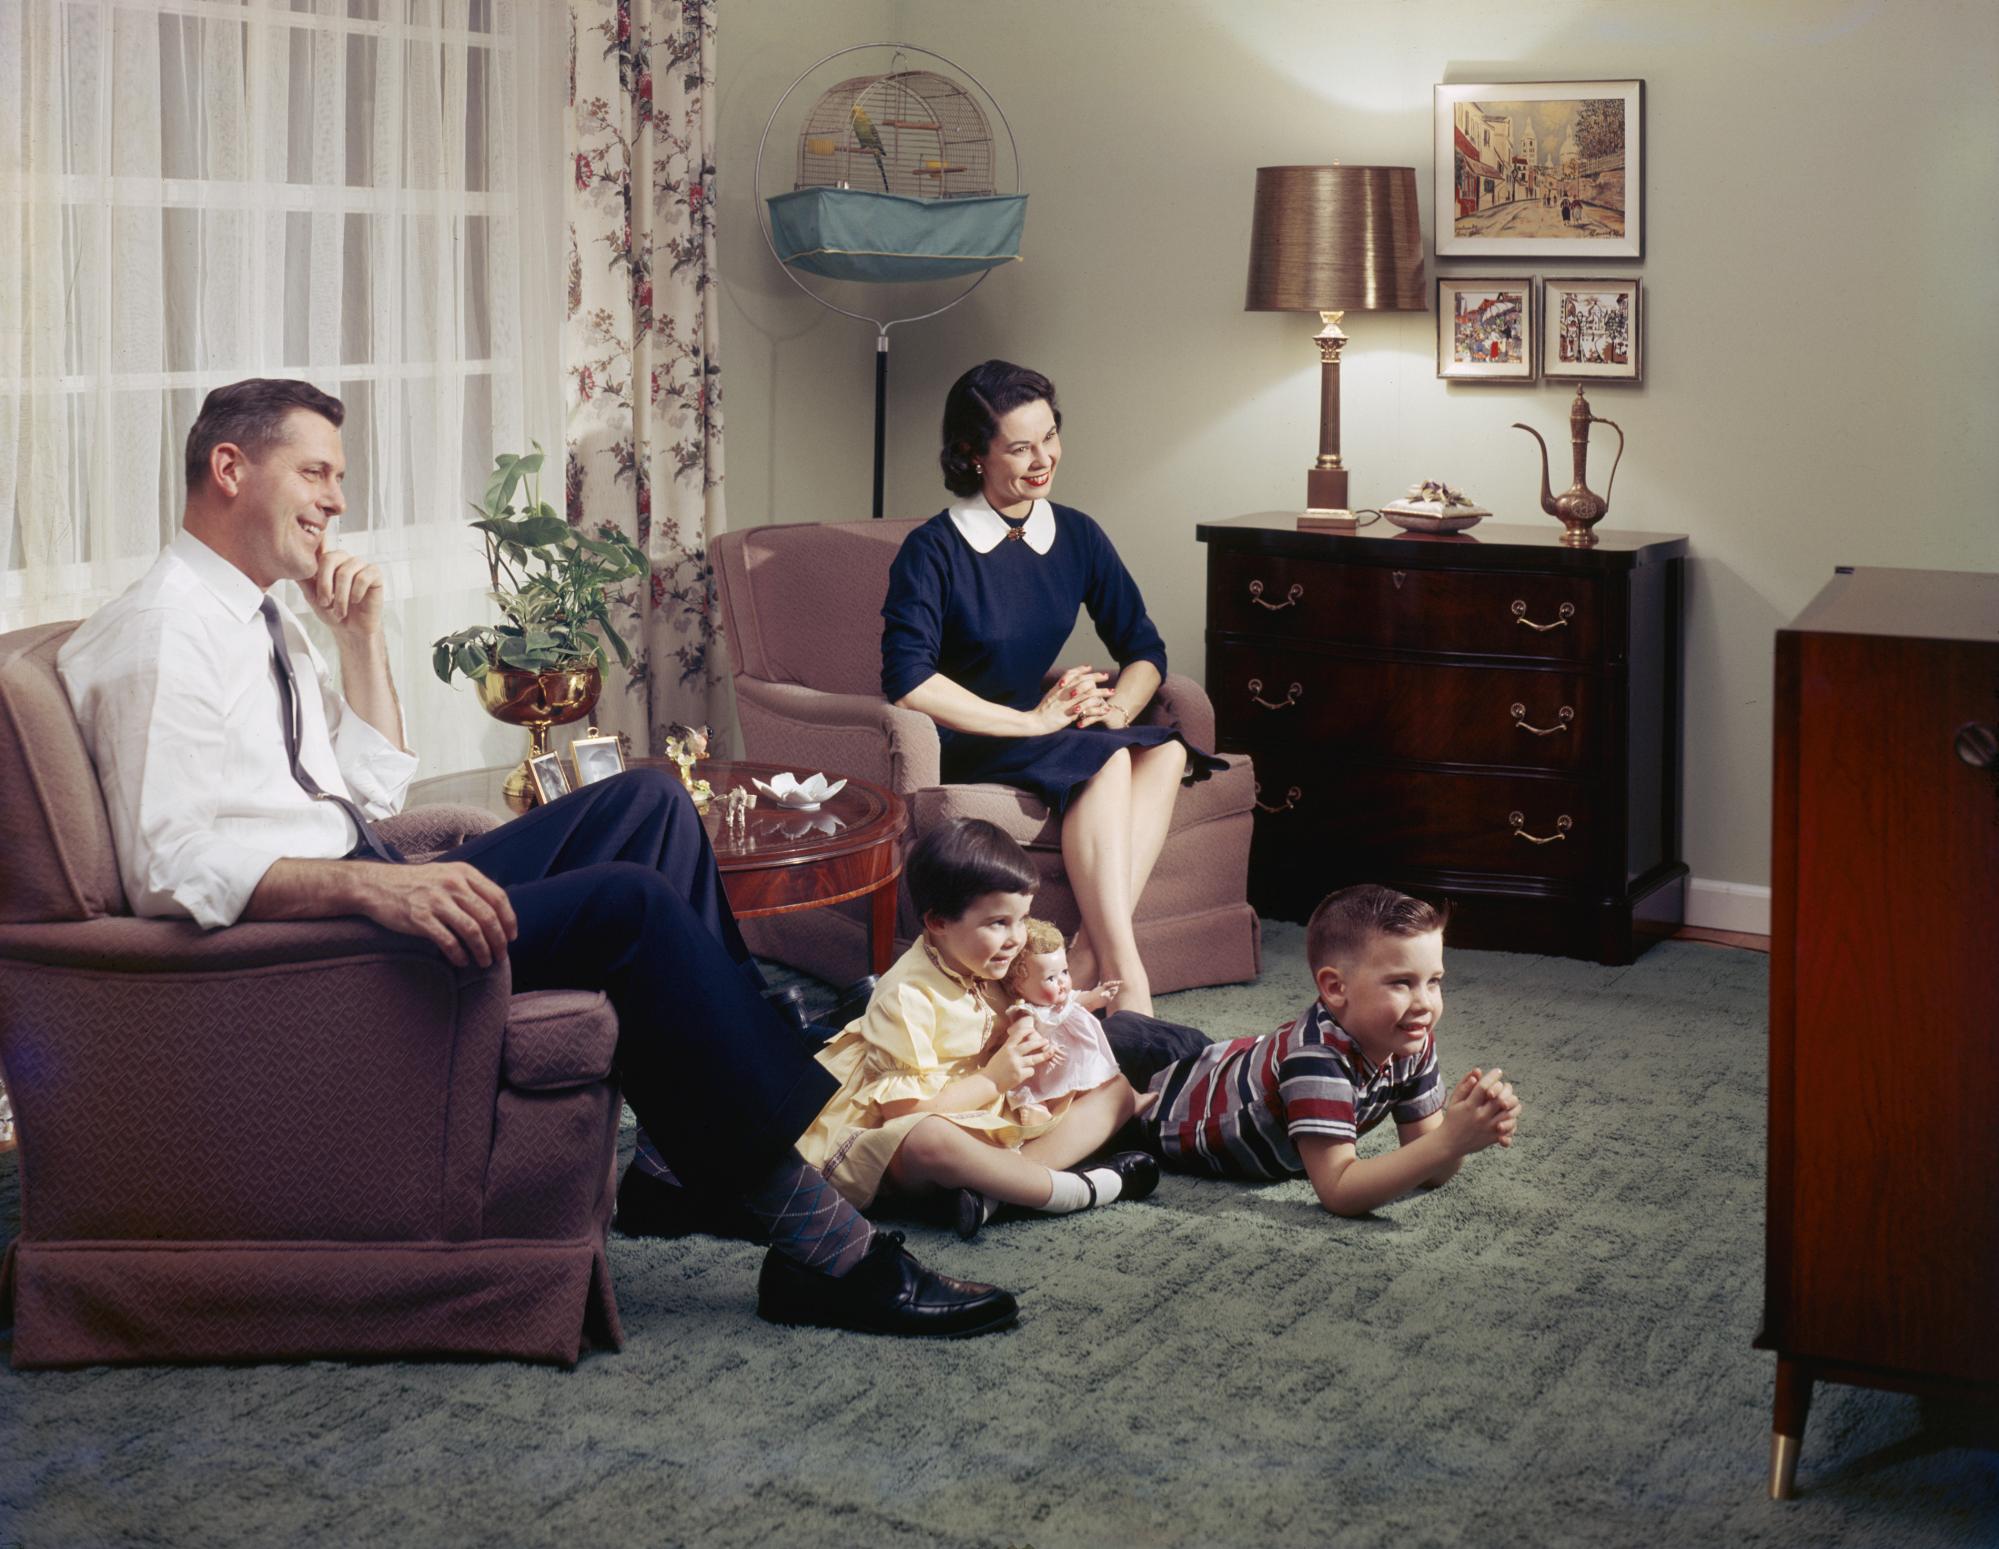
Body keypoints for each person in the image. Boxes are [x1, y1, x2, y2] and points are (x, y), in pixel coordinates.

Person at [56, 377, 1017, 1340]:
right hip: (320, 944)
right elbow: (168, 868)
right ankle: (820, 1244)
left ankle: (679, 1163)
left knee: (647, 800)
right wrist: (374, 887)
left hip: (361, 878)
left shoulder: (257, 614)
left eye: (338, 477)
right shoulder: (163, 636)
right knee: (631, 907)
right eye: (316, 472)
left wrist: (357, 640)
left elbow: (370, 788)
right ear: (230, 468)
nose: (337, 501)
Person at [880, 360, 1227, 1018]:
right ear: (970, 453)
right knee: (1109, 757)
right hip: (967, 737)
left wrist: (1115, 706)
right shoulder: (932, 550)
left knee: (1167, 749)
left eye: (1050, 436)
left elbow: (1143, 650)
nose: (1043, 459)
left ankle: (1083, 957)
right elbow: (909, 684)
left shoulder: (1075, 534)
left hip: (1040, 728)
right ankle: (1127, 977)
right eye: (1019, 447)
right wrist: (1036, 722)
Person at [797, 818, 1159, 1241]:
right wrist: (993, 1078)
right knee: (930, 1139)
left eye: (1021, 919)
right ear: (938, 922)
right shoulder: (906, 994)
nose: (1016, 938)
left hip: (991, 1113)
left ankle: (996, 1195)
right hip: (910, 1126)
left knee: (1115, 1091)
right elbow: (904, 1113)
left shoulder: (991, 964)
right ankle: (1076, 1190)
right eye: (998, 923)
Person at [1137, 884, 1521, 1216]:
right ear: (1336, 988)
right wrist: (1449, 1140)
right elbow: (1339, 1190)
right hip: (1155, 1097)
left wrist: (1461, 1130)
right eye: (1402, 983)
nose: (1424, 1003)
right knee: (1097, 1050)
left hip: (1222, 1063)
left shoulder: (1409, 1039)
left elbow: (1430, 1168)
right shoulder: (1315, 1061)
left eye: (1433, 981)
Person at [1000, 916, 1126, 1124]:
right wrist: (1041, 1047)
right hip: (1048, 1066)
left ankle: (1134, 1099)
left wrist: (1100, 995)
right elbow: (1022, 1034)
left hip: (1080, 1056)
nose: (1062, 983)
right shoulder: (1027, 1012)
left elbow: (1086, 1000)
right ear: (1019, 986)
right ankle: (1039, 1109)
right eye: (1051, 978)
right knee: (1044, 1090)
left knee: (1107, 1075)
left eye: (1065, 972)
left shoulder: (1067, 998)